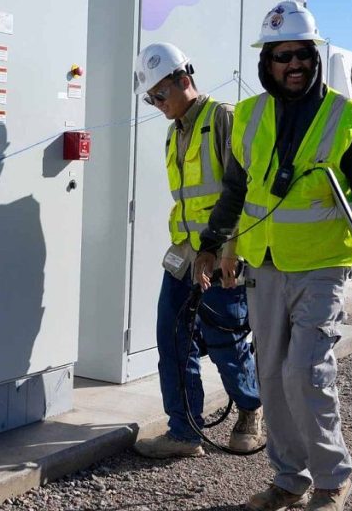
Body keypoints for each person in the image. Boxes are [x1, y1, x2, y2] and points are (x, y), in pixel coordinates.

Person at [194, 2, 352, 511]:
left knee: (305, 370)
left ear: (313, 56)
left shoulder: (345, 118)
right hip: (264, 265)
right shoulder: (248, 115)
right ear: (268, 62)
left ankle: (331, 479)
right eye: (282, 56)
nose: (292, 64)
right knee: (272, 375)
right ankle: (289, 478)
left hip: (322, 265)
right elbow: (235, 190)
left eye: (301, 54)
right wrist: (212, 246)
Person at [131, 42, 265, 459]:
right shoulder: (176, 131)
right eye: (150, 98)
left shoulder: (223, 118)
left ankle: (249, 409)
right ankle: (183, 433)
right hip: (183, 256)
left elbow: (242, 191)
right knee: (172, 341)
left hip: (223, 254)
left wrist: (231, 252)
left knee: (224, 341)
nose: (156, 104)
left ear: (184, 80)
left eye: (159, 95)